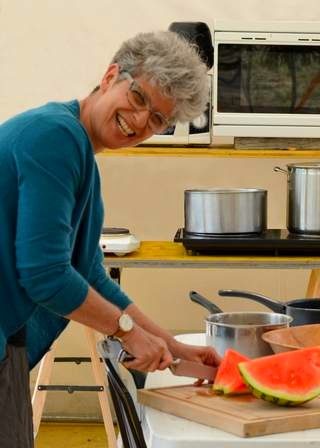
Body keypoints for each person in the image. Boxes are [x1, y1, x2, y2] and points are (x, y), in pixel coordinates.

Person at [0, 30, 220, 447]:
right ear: (110, 76)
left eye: (158, 120)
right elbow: (45, 275)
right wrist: (125, 331)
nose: (140, 121)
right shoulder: (55, 138)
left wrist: (171, 346)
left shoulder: (78, 150)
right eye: (139, 99)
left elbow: (88, 273)